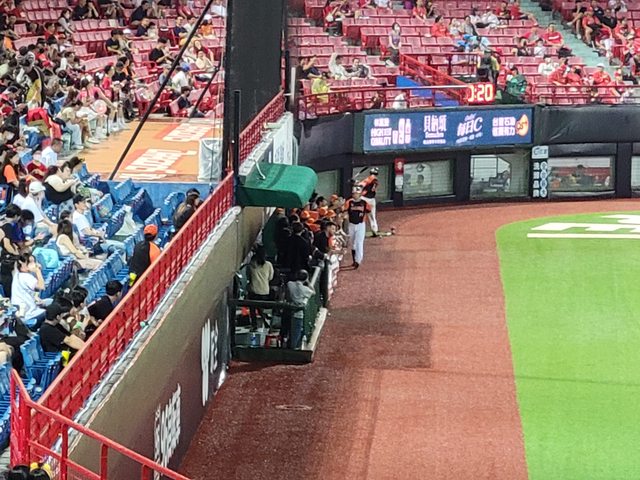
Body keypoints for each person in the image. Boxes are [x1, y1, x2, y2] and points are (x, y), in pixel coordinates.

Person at [11, 253, 50, 328]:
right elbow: (42, 286)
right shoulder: (26, 277)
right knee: (52, 312)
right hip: (28, 314)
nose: (34, 264)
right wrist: (38, 271)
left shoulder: (18, 274)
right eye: (31, 262)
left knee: (49, 301)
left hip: (26, 308)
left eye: (34, 261)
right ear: (23, 264)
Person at [246, 245, 274, 331]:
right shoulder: (268, 265)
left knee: (253, 306)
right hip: (265, 291)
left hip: (253, 291)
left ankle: (254, 325)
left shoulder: (251, 265)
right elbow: (270, 278)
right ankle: (264, 319)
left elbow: (248, 277)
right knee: (259, 305)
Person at [286, 269, 314, 349]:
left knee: (289, 331)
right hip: (298, 313)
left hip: (288, 310)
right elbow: (313, 292)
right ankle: (293, 349)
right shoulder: (305, 289)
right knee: (296, 333)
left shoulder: (290, 284)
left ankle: (291, 347)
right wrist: (308, 282)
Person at [344, 186, 370, 269]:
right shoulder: (349, 202)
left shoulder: (364, 203)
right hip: (351, 224)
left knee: (359, 242)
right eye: (353, 193)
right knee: (352, 243)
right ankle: (354, 260)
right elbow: (344, 211)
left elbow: (368, 211)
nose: (354, 195)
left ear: (360, 194)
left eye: (356, 193)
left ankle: (358, 261)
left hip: (361, 225)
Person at [358, 167, 379, 236]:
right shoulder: (376, 180)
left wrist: (355, 182)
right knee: (372, 216)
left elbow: (361, 185)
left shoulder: (370, 178)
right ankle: (375, 230)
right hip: (372, 200)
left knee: (360, 214)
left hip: (364, 199)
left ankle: (359, 230)